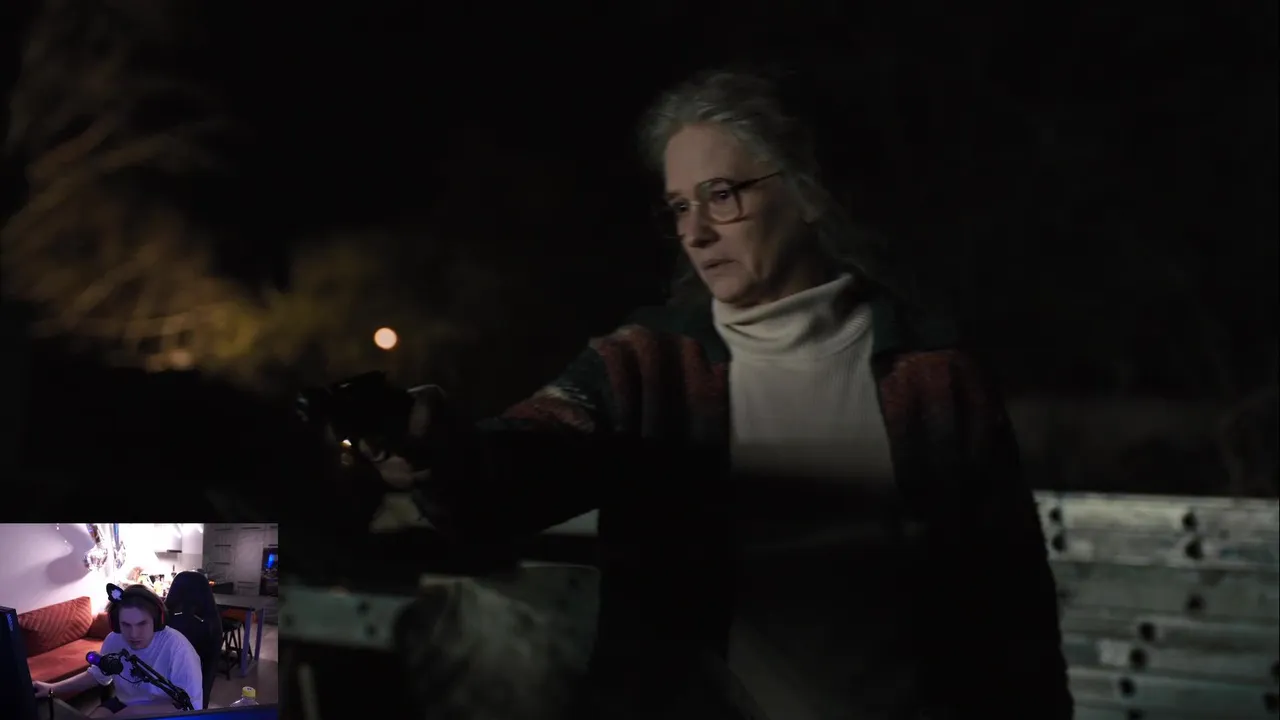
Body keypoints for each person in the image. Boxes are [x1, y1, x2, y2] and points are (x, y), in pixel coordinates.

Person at [365, 68, 1072, 719]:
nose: (695, 233)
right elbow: (525, 460)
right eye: (679, 207)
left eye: (722, 196)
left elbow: (1011, 604)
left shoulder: (933, 374)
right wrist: (441, 452)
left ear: (806, 192)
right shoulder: (649, 367)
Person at [33, 584, 203, 717]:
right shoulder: (114, 639)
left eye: (142, 624)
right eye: (126, 625)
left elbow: (191, 706)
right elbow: (98, 675)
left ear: (157, 621)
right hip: (124, 703)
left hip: (166, 712)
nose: (133, 634)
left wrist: (133, 712)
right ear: (116, 623)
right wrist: (53, 688)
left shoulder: (178, 649)